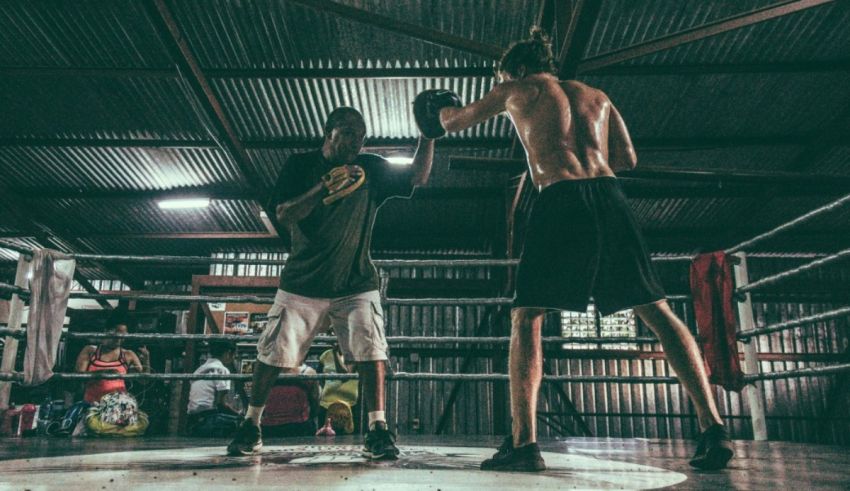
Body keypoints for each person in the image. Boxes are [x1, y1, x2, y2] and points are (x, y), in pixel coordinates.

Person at [415, 28, 733, 471]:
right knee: (657, 309)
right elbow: (628, 159)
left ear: (517, 68)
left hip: (561, 198)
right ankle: (713, 427)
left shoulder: (516, 87)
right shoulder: (596, 96)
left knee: (528, 316)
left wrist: (437, 106)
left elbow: (452, 122)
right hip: (610, 196)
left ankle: (524, 445)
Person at [227, 107, 435, 460]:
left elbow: (417, 175)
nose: (358, 141)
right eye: (350, 133)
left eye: (362, 135)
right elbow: (284, 213)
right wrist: (323, 187)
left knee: (372, 349)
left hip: (355, 282)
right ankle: (251, 424)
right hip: (303, 280)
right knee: (272, 351)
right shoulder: (300, 165)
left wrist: (428, 134)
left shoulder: (370, 169)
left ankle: (378, 428)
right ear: (329, 132)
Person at [75, 314, 150, 404]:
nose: (119, 339)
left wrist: (146, 359)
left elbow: (144, 381)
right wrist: (103, 373)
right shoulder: (90, 351)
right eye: (117, 334)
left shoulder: (128, 355)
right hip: (92, 406)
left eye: (123, 336)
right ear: (107, 331)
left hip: (118, 408)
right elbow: (78, 377)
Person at [187, 341, 241, 437]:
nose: (233, 358)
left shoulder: (199, 370)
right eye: (234, 355)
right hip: (209, 419)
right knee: (245, 424)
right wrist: (240, 415)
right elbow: (221, 404)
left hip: (192, 421)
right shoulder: (222, 370)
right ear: (228, 353)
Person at [261, 362, 320, 437]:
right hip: (274, 427)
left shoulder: (308, 372)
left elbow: (315, 405)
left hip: (298, 426)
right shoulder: (264, 372)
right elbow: (315, 405)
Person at [318, 344, 358, 434]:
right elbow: (319, 377)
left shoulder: (354, 355)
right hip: (326, 404)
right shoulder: (326, 355)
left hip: (348, 405)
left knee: (348, 440)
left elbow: (345, 376)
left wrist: (335, 352)